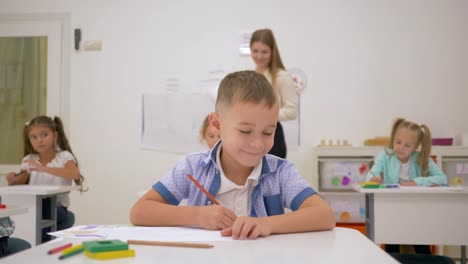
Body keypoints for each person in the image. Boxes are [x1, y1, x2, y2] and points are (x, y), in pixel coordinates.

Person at [130, 71, 335, 240]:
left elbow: (324, 215)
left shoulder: (280, 172)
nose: (258, 144)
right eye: (245, 131)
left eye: (268, 132)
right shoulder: (193, 167)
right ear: (217, 124)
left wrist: (266, 224)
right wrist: (198, 215)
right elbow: (140, 212)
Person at [365, 118, 447, 254]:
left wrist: (417, 182)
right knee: (391, 243)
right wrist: (373, 179)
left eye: (407, 145)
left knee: (420, 243)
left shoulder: (421, 157)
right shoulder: (386, 155)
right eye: (398, 142)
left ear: (415, 147)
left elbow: (442, 178)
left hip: (416, 210)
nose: (401, 147)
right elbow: (371, 174)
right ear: (393, 140)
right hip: (391, 209)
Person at [5, 116, 84, 241]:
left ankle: (41, 242)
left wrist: (44, 169)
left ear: (55, 136)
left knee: (43, 212)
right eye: (34, 137)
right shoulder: (29, 159)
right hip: (36, 207)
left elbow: (75, 174)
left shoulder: (63, 157)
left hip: (56, 207)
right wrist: (12, 180)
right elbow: (19, 182)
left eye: (44, 135)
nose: (39, 140)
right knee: (27, 211)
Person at [250, 29, 297, 159]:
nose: (259, 56)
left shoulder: (282, 76)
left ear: (272, 52)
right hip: (252, 136)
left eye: (264, 52)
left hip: (273, 136)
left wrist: (266, 115)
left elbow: (292, 111)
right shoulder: (251, 76)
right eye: (255, 51)